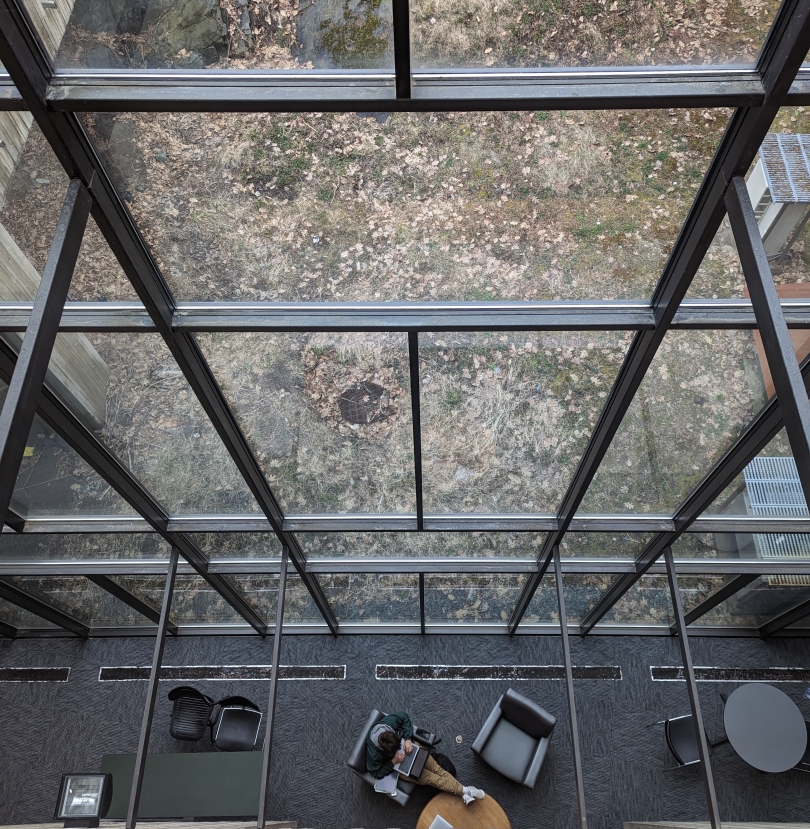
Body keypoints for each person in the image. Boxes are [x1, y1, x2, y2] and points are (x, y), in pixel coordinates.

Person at [366, 712, 485, 805]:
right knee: (435, 779)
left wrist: (407, 739)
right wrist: (393, 762)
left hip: (411, 747)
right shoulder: (373, 754)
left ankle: (464, 793)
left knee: (438, 770)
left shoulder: (387, 724)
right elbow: (375, 773)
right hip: (400, 765)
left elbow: (404, 717)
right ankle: (467, 791)